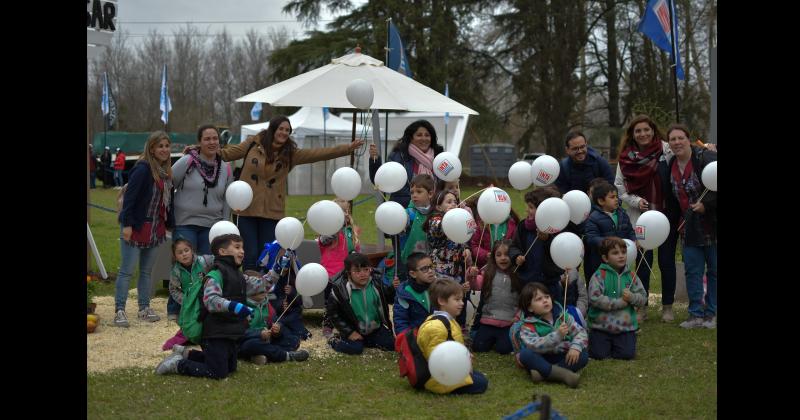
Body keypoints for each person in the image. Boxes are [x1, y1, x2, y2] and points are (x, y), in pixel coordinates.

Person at [218, 115, 364, 270]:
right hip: (246, 208)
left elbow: (318, 154)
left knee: (267, 253)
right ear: (273, 129)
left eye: (287, 130)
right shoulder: (253, 144)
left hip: (271, 211)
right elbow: (229, 153)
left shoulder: (290, 153)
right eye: (281, 129)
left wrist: (347, 149)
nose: (284, 132)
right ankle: (250, 289)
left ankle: (264, 291)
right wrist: (200, 151)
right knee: (250, 253)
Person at [154, 233, 263, 378]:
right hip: (211, 326)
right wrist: (235, 307)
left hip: (225, 325)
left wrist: (277, 271)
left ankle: (186, 353)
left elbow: (261, 285)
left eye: (242, 247)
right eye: (237, 247)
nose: (242, 251)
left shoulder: (228, 271)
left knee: (230, 367)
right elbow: (210, 300)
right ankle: (178, 365)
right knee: (218, 372)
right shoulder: (211, 274)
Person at [615, 115, 678, 322]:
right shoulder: (625, 158)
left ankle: (667, 307)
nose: (643, 134)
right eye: (638, 131)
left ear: (653, 130)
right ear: (632, 135)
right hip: (640, 218)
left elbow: (686, 160)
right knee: (643, 263)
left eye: (646, 130)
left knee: (667, 261)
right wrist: (635, 201)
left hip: (666, 216)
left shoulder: (667, 150)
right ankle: (641, 307)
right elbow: (619, 189)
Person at [114, 131, 174, 327]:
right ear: (151, 149)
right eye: (160, 146)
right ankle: (120, 310)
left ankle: (143, 307)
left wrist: (168, 225)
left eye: (167, 145)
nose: (164, 150)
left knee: (147, 272)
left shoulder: (166, 173)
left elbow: (166, 204)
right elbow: (130, 199)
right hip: (137, 225)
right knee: (127, 271)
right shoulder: (142, 169)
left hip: (155, 228)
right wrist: (127, 224)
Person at [662, 124, 717, 329]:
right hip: (689, 226)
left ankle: (712, 314)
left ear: (688, 139)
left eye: (680, 138)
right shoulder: (670, 165)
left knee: (714, 270)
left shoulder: (705, 158)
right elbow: (672, 199)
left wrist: (707, 205)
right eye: (672, 139)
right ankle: (695, 314)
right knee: (692, 270)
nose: (677, 142)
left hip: (712, 224)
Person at [416, 278, 488, 394]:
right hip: (439, 378)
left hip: (449, 371)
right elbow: (436, 361)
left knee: (479, 377)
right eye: (457, 300)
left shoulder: (448, 321)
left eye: (461, 299)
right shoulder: (436, 327)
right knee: (481, 383)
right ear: (442, 301)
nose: (462, 303)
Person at [509, 282, 589, 387]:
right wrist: (557, 336)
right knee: (525, 354)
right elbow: (534, 345)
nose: (545, 300)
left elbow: (581, 332)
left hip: (562, 355)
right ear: (530, 308)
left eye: (546, 297)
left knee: (583, 355)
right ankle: (563, 374)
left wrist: (575, 347)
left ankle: (543, 374)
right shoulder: (528, 325)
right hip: (542, 356)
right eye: (539, 299)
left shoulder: (563, 317)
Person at [172, 125, 234, 256]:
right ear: (199, 142)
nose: (212, 142)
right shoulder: (187, 161)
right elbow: (169, 184)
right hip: (185, 223)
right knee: (187, 265)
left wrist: (225, 225)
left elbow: (227, 199)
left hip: (213, 226)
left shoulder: (226, 168)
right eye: (207, 139)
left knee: (207, 267)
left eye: (215, 138)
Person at [587, 237, 647, 360]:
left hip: (625, 327)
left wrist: (632, 297)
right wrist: (618, 303)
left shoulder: (631, 276)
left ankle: (623, 343)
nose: (621, 256)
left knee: (626, 355)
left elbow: (643, 297)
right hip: (601, 326)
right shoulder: (599, 275)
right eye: (615, 253)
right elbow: (594, 298)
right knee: (599, 354)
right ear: (605, 258)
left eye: (623, 252)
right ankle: (599, 343)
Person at [326, 253, 396, 355]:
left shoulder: (376, 283)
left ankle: (368, 341)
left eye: (366, 270)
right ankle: (334, 341)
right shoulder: (340, 290)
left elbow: (389, 299)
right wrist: (349, 332)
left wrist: (393, 288)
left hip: (375, 328)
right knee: (355, 349)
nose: (363, 274)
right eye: (357, 271)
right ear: (349, 273)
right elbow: (333, 314)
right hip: (354, 329)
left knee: (392, 344)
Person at [424, 189, 472, 331]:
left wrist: (466, 248)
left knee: (458, 300)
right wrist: (456, 215)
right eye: (448, 202)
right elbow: (440, 229)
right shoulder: (435, 220)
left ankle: (459, 329)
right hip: (440, 271)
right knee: (442, 301)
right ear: (438, 207)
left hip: (456, 270)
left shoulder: (457, 219)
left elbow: (463, 237)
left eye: (455, 202)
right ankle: (438, 329)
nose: (453, 204)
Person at [584, 181, 637, 310]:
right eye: (612, 197)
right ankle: (600, 315)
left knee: (620, 288)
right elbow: (591, 238)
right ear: (601, 201)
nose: (616, 200)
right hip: (601, 263)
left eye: (616, 197)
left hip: (620, 262)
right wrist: (609, 244)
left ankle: (623, 315)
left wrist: (634, 240)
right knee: (605, 289)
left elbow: (629, 230)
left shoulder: (622, 214)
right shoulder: (593, 218)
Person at [236, 272, 309, 364]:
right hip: (250, 340)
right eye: (261, 292)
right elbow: (239, 332)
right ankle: (286, 356)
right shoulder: (242, 308)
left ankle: (263, 355)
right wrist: (259, 334)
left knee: (293, 339)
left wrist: (277, 329)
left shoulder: (266, 305)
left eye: (264, 291)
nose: (265, 294)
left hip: (268, 340)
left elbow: (275, 320)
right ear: (251, 294)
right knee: (252, 345)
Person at [368, 120, 444, 208]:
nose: (424, 138)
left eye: (427, 135)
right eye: (419, 135)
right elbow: (380, 181)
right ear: (411, 138)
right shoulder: (398, 156)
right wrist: (375, 160)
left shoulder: (439, 157)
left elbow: (445, 183)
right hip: (404, 209)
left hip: (434, 209)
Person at [465, 239, 522, 354]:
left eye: (507, 254)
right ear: (493, 258)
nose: (503, 258)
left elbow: (522, 299)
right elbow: (475, 286)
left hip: (508, 322)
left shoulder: (518, 275)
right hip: (488, 320)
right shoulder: (488, 273)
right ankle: (486, 337)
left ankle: (500, 340)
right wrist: (471, 276)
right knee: (479, 347)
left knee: (504, 349)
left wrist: (518, 316)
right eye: (499, 255)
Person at [508, 187, 567, 298]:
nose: (527, 210)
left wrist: (547, 240)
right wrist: (516, 256)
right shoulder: (523, 227)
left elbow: (559, 255)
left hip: (549, 284)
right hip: (526, 283)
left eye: (531, 207)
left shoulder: (557, 230)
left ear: (543, 210)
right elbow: (513, 246)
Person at [319, 198, 362, 338]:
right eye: (340, 211)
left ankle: (346, 324)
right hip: (330, 273)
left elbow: (356, 249)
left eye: (346, 210)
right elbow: (322, 241)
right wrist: (334, 228)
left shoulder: (351, 231)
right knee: (330, 302)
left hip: (346, 273)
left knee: (347, 299)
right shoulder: (329, 232)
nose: (344, 214)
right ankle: (327, 324)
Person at [165, 239, 214, 331]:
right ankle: (174, 314)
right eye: (180, 253)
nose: (184, 254)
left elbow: (217, 259)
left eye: (186, 250)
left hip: (206, 295)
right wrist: (185, 300)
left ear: (192, 250)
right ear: (175, 256)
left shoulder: (203, 261)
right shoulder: (176, 271)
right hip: (188, 299)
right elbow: (173, 289)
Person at [397, 174, 435, 282]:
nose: (414, 195)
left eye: (419, 192)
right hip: (411, 262)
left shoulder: (436, 213)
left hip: (431, 261)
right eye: (412, 192)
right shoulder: (409, 213)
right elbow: (401, 224)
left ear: (430, 193)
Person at [393, 252, 436, 335]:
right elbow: (400, 320)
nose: (430, 271)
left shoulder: (437, 286)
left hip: (436, 332)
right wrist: (407, 339)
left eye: (431, 266)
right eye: (424, 269)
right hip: (415, 336)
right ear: (413, 274)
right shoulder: (405, 293)